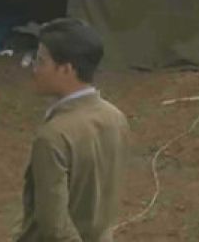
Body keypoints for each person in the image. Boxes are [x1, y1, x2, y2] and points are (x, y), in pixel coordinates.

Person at [17, 18, 129, 242]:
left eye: (41, 61)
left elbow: (54, 227)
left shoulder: (53, 136)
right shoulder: (115, 118)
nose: (34, 69)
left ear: (67, 69)